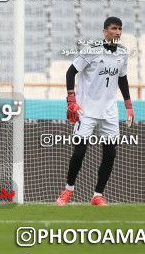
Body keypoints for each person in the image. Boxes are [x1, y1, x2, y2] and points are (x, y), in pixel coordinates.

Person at [56, 16, 134, 206]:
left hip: (109, 111)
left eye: (120, 29)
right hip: (86, 110)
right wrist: (71, 99)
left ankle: (97, 195)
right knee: (79, 152)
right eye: (114, 28)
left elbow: (122, 79)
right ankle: (68, 191)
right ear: (105, 31)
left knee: (110, 153)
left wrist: (128, 105)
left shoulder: (122, 53)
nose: (117, 32)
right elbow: (70, 72)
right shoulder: (91, 50)